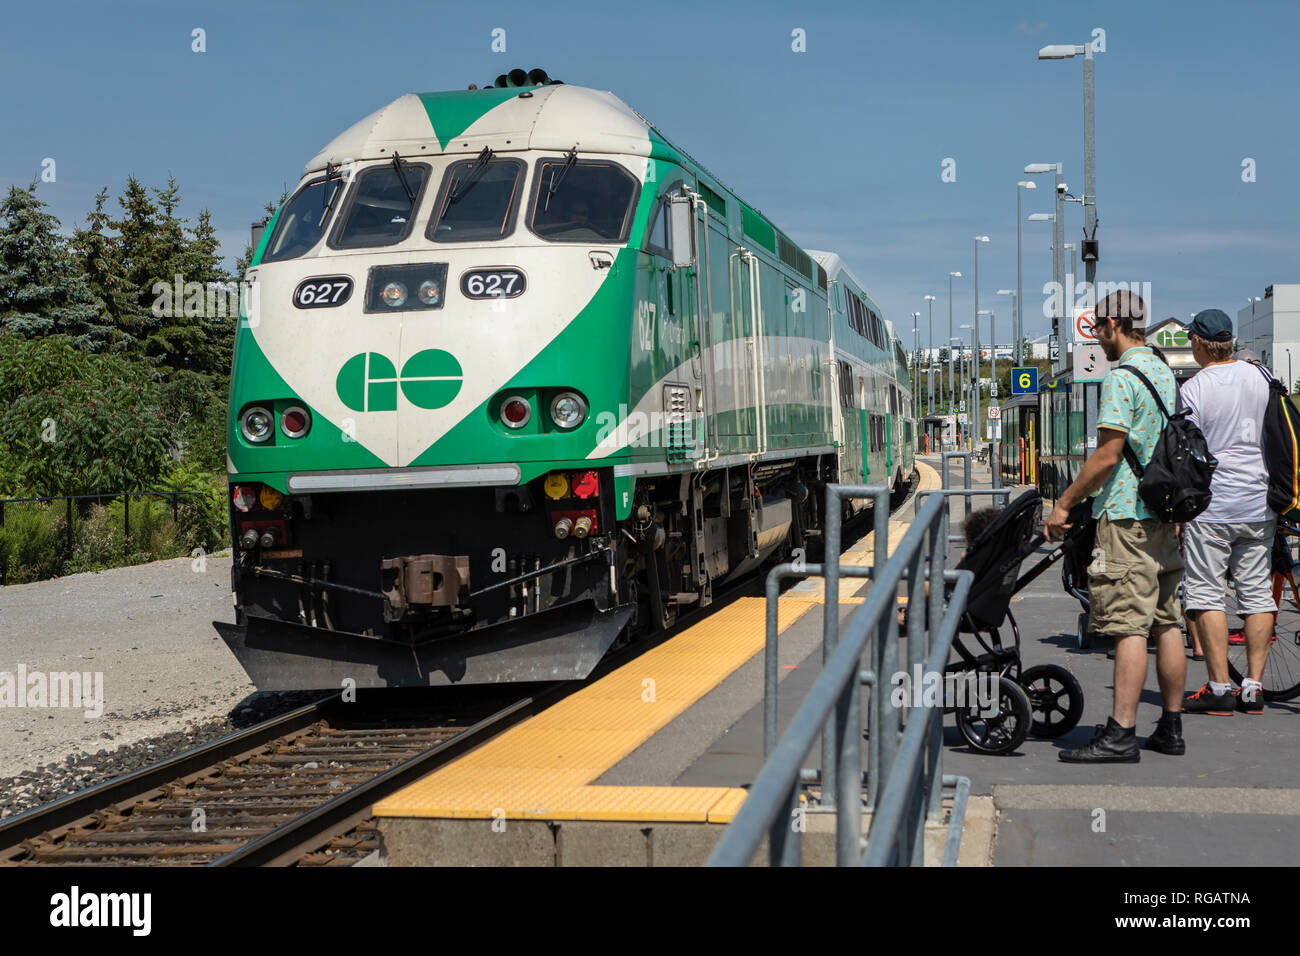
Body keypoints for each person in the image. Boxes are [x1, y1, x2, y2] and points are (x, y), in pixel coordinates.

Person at [1044, 290, 1186, 762]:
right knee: (1166, 623)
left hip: (1127, 516)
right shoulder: (1164, 372)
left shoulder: (1122, 378)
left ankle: (1121, 734)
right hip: (1165, 517)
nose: (1098, 339)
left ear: (1111, 323)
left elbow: (1107, 456)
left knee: (1128, 626)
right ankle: (1170, 727)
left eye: (1099, 330)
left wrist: (1064, 503)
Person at [1178, 309, 1275, 716]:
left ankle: (1219, 688)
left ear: (1199, 344)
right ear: (1230, 341)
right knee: (1256, 594)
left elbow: (1188, 450)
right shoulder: (1262, 378)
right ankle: (1252, 687)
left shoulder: (1194, 388)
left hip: (1212, 506)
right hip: (1259, 502)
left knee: (1206, 594)